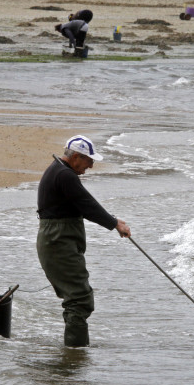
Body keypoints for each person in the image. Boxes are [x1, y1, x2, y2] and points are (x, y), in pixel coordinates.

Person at [36, 135, 131, 347]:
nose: (92, 166)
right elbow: (86, 204)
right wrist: (115, 224)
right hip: (57, 240)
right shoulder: (64, 175)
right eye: (90, 161)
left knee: (76, 299)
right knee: (79, 299)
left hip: (56, 239)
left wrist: (113, 221)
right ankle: (74, 356)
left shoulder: (60, 171)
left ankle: (74, 350)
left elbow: (84, 203)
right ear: (77, 157)